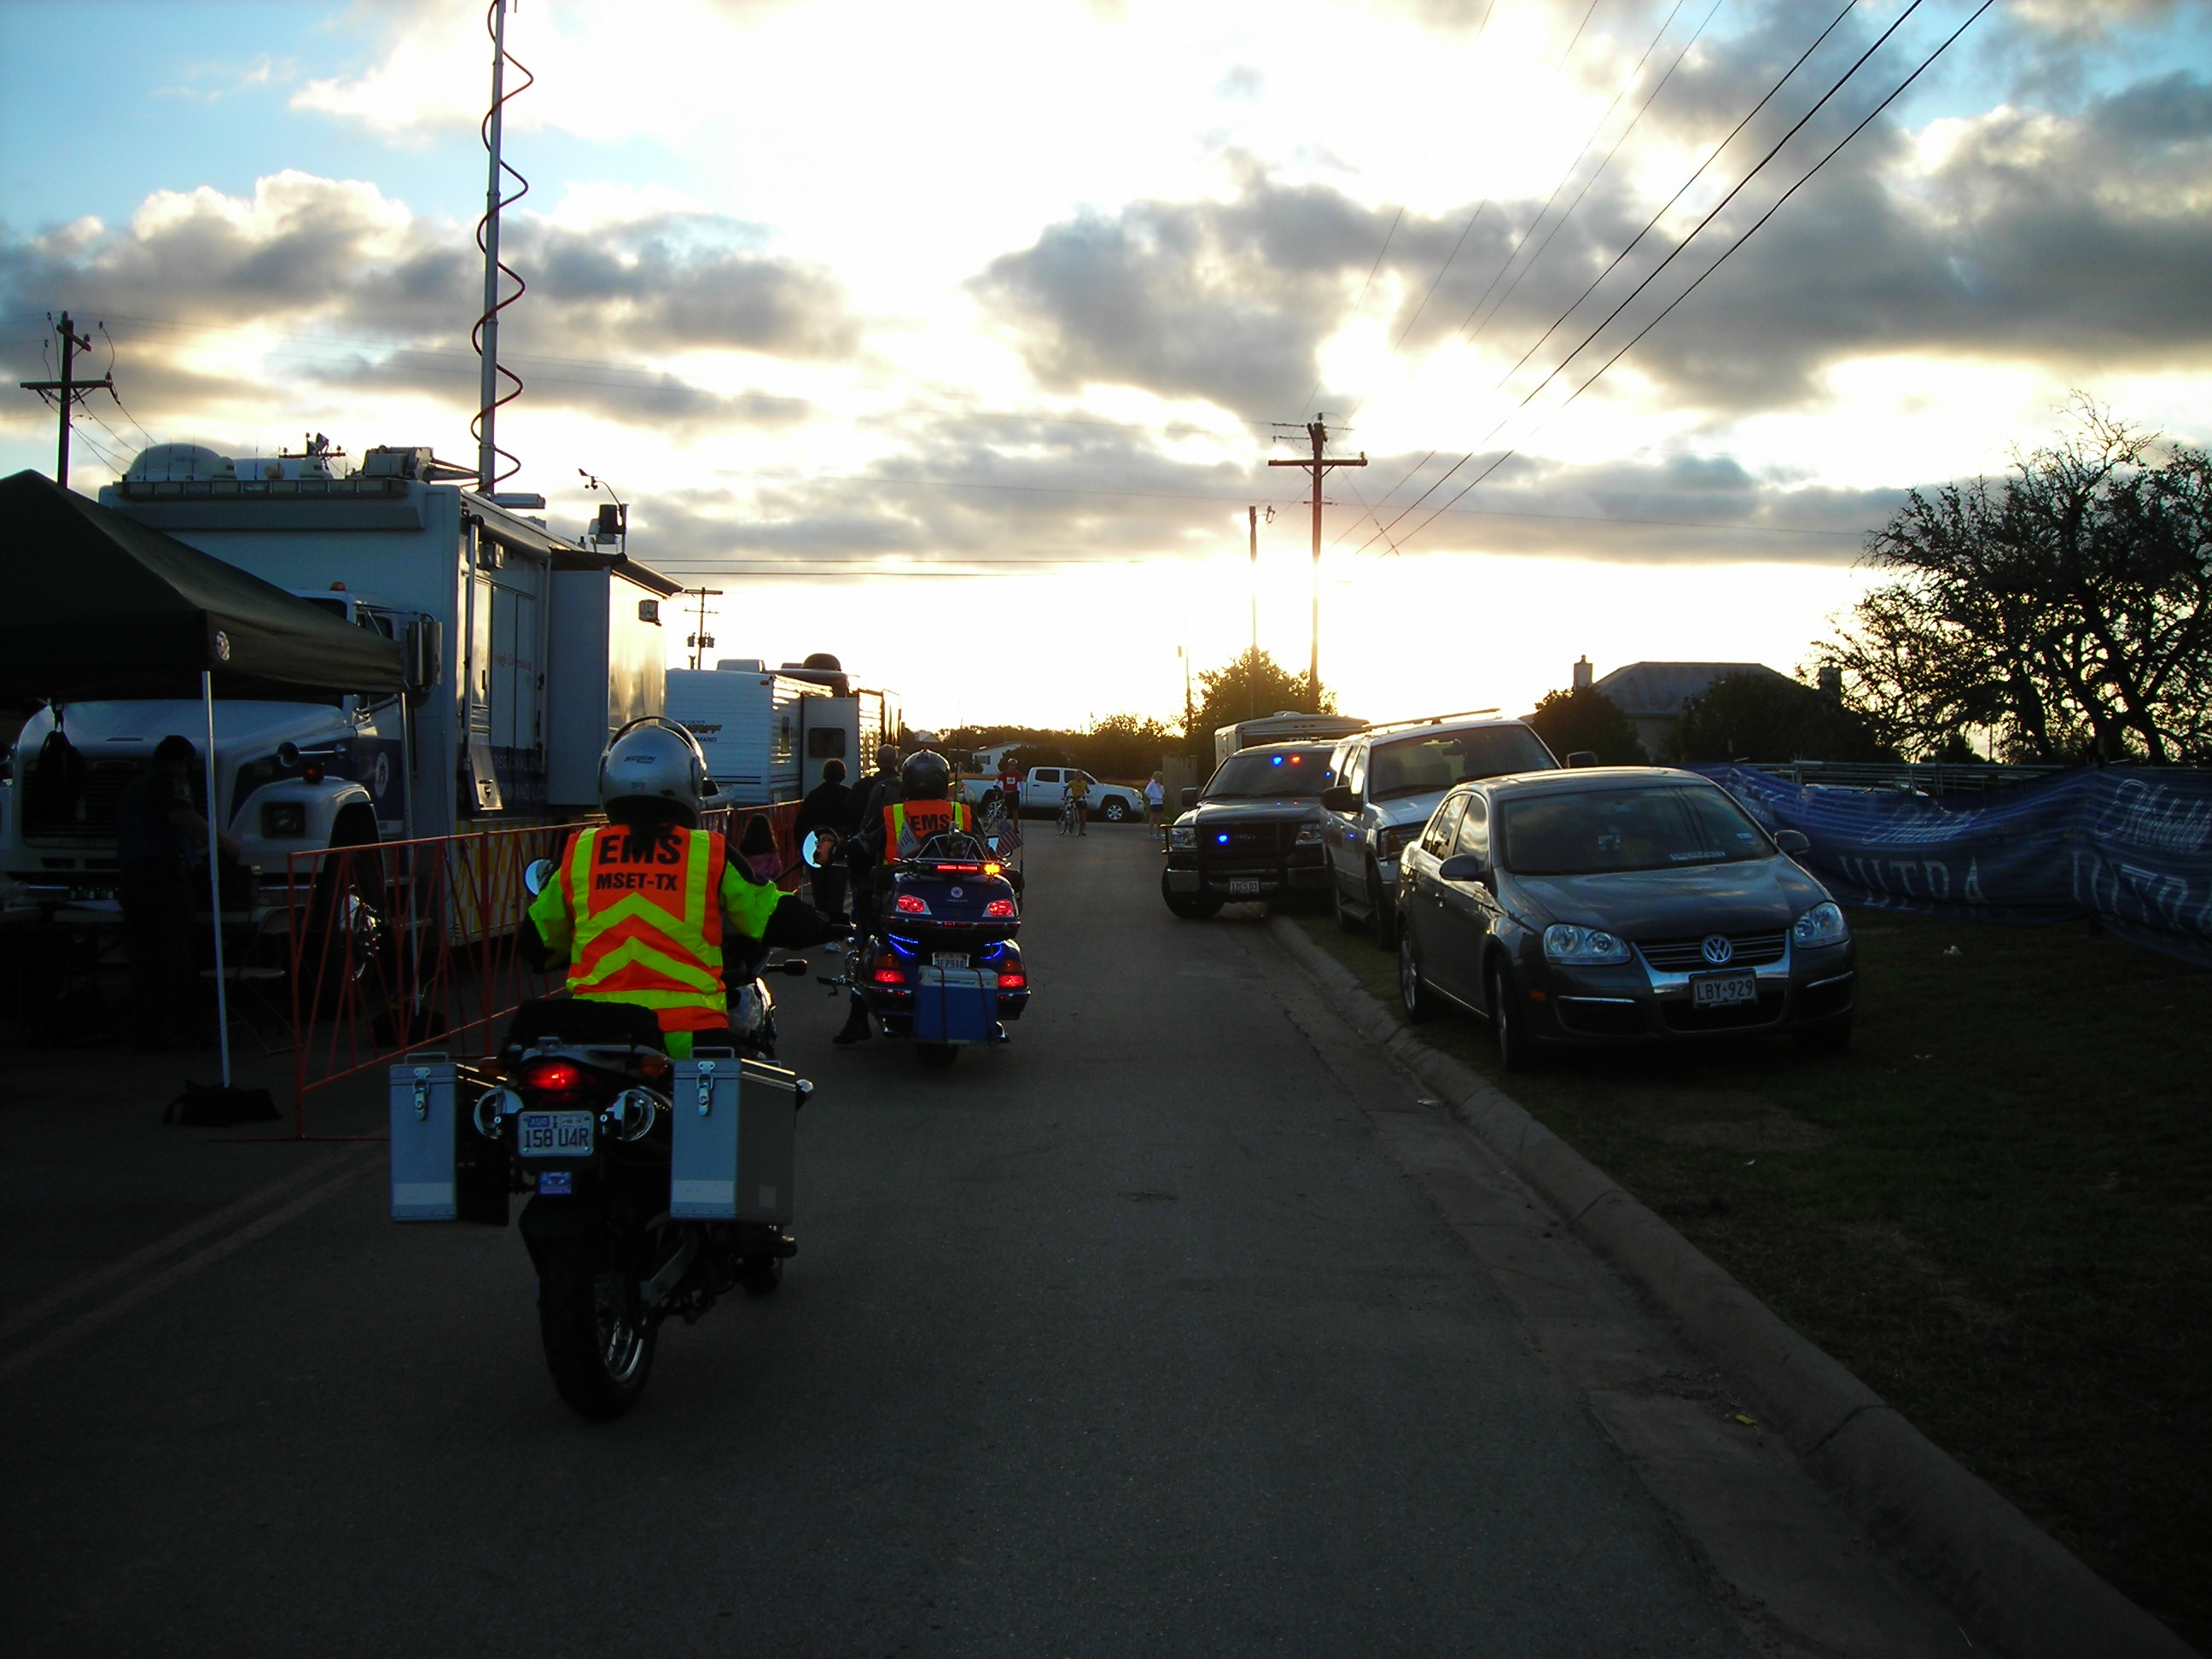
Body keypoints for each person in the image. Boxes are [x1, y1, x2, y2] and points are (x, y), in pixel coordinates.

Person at [522, 719, 844, 1059]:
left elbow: (537, 943)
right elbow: (768, 914)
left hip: (595, 1032)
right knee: (745, 1082)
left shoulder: (581, 852)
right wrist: (822, 922)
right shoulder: (706, 851)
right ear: (688, 781)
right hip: (686, 1033)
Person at [834, 748, 975, 1046]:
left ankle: (857, 1018)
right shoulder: (960, 813)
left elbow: (861, 848)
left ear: (908, 782)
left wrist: (839, 852)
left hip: (903, 902)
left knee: (867, 944)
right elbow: (982, 850)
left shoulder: (892, 813)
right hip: (957, 904)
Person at [116, 735, 242, 1050]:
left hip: (132, 878)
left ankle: (146, 1029)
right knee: (176, 955)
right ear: (184, 762)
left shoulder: (134, 788)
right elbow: (181, 816)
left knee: (144, 958)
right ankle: (185, 1029)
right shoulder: (171, 780)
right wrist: (224, 842)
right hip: (165, 879)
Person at [793, 758, 852, 919]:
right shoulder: (847, 795)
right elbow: (854, 822)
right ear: (843, 775)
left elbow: (801, 825)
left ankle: (821, 923)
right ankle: (835, 925)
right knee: (837, 895)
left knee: (819, 894)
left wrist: (803, 849)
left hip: (817, 852)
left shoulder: (814, 796)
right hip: (839, 854)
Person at [1062, 769, 1091, 835]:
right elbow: (1066, 789)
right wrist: (1064, 796)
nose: (1079, 777)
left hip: (1082, 800)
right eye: (1077, 775)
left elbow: (1087, 790)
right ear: (1075, 776)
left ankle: (1082, 830)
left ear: (1082, 776)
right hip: (1075, 799)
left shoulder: (1084, 783)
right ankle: (1070, 825)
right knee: (1072, 814)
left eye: (1080, 775)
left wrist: (1088, 790)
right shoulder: (1072, 782)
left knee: (1083, 817)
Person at [1144, 771, 1167, 842]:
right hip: (1154, 803)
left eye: (1160, 777)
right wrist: (1153, 797)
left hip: (1160, 802)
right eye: (1158, 776)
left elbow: (1162, 792)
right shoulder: (1152, 784)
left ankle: (1157, 834)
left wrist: (1162, 795)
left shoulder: (1160, 784)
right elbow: (1146, 792)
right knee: (1153, 818)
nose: (1159, 778)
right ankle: (1151, 834)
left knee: (1160, 818)